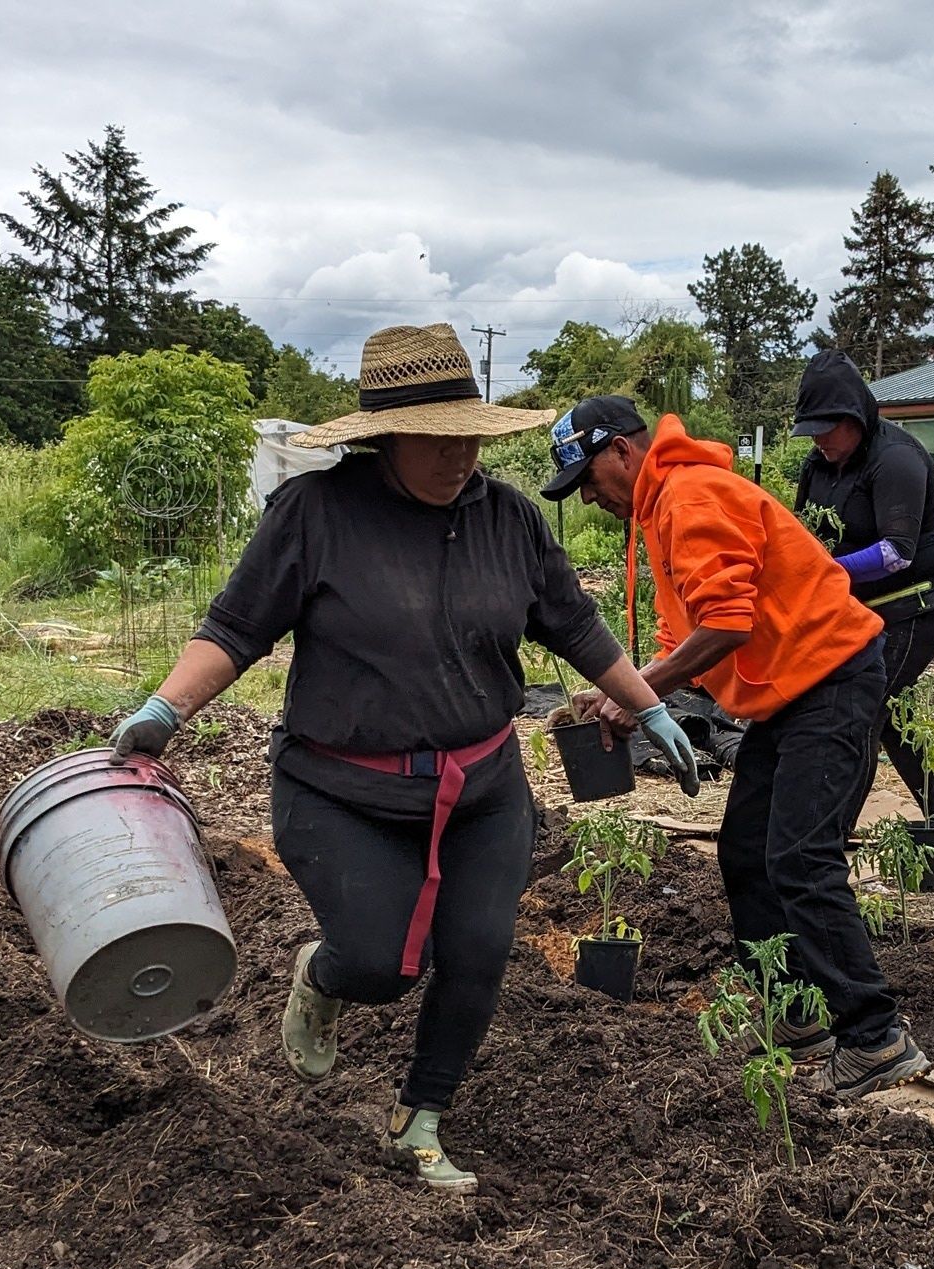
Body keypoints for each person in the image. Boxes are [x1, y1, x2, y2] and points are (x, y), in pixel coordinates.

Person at [107, 325, 698, 1193]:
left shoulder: (509, 521)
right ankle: (324, 974)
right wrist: (166, 709)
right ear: (383, 438)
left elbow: (570, 623)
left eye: (470, 434)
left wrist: (650, 708)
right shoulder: (316, 515)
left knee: (479, 949)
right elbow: (236, 629)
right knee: (383, 963)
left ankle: (422, 1116)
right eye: (437, 436)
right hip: (339, 789)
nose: (459, 454)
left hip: (483, 785)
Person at [547, 396, 932, 1098]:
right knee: (747, 851)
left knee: (801, 857)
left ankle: (875, 1036)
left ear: (621, 452)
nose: (592, 499)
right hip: (788, 693)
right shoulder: (663, 511)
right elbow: (680, 634)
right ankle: (796, 1015)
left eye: (589, 481)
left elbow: (726, 623)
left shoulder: (691, 497)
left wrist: (640, 694)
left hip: (832, 679)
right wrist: (623, 689)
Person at [790, 351, 934, 842]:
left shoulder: (896, 459)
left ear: (855, 420)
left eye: (827, 429)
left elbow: (897, 553)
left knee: (861, 710)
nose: (819, 440)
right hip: (860, 610)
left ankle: (830, 836)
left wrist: (823, 572)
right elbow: (802, 533)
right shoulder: (820, 463)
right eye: (812, 431)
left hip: (915, 608)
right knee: (892, 716)